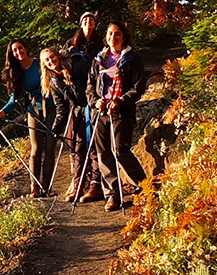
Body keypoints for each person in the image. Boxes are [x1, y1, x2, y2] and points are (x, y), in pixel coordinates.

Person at [83, 20, 147, 211]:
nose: (113, 37)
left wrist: (119, 101)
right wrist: (96, 101)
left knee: (120, 150)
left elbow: (138, 87)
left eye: (118, 34)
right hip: (101, 111)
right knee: (103, 154)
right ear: (106, 37)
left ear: (124, 37)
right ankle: (112, 195)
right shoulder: (99, 59)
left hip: (122, 111)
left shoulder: (131, 59)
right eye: (110, 33)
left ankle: (144, 188)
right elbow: (89, 87)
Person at [0, 39, 57, 197]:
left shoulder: (40, 63)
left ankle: (47, 185)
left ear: (26, 48)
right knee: (36, 149)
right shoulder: (17, 74)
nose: (18, 52)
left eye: (20, 48)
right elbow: (13, 101)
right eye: (15, 51)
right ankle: (35, 187)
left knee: (50, 147)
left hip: (53, 107)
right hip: (34, 110)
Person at [62, 12, 102, 202]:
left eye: (91, 20)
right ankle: (78, 182)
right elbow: (61, 63)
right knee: (77, 141)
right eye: (85, 19)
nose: (88, 22)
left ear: (95, 24)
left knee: (93, 141)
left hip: (94, 94)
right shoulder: (71, 43)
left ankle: (96, 183)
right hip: (77, 96)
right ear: (80, 23)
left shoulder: (100, 43)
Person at [38, 46, 70, 194]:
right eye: (47, 60)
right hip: (72, 112)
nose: (51, 61)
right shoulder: (52, 81)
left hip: (85, 107)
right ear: (44, 64)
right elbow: (61, 107)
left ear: (58, 56)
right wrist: (56, 128)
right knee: (74, 145)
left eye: (52, 57)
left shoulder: (70, 68)